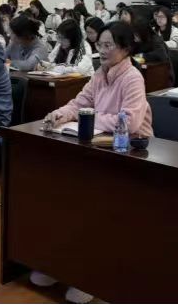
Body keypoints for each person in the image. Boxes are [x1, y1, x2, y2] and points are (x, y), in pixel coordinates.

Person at [35, 22, 153, 304]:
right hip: (96, 145)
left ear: (125, 48)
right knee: (63, 200)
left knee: (94, 203)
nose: (103, 50)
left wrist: (87, 117)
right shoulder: (100, 73)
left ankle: (91, 275)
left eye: (109, 45)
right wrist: (61, 114)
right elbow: (79, 103)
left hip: (131, 151)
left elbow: (129, 121)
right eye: (100, 45)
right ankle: (61, 263)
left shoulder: (132, 77)